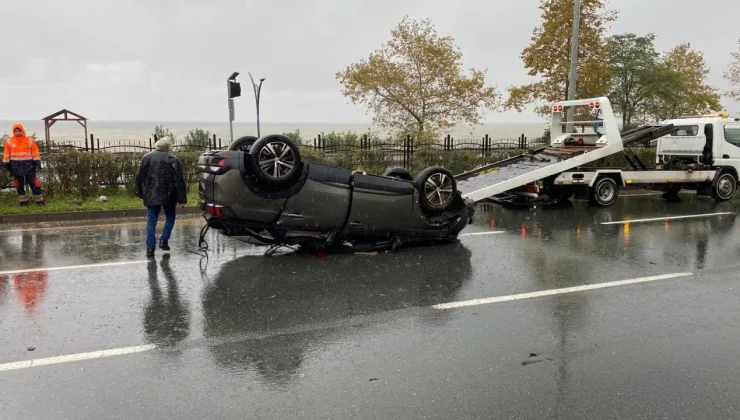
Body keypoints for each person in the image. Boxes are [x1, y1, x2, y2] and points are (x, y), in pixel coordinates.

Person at [135, 136, 187, 258]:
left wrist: (140, 193)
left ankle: (150, 248)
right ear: (169, 147)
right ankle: (164, 240)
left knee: (151, 220)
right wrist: (181, 199)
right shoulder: (172, 159)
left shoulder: (146, 157)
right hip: (169, 194)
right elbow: (179, 180)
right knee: (170, 216)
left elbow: (139, 177)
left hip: (151, 194)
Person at [2, 123, 45, 206]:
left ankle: (39, 201)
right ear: (13, 132)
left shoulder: (30, 141)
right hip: (15, 167)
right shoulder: (9, 142)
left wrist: (37, 164)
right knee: (19, 185)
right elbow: (6, 155)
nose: (18, 133)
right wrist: (5, 166)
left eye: (19, 131)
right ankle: (23, 202)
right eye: (16, 131)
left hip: (29, 166)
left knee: (34, 183)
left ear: (22, 131)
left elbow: (35, 153)